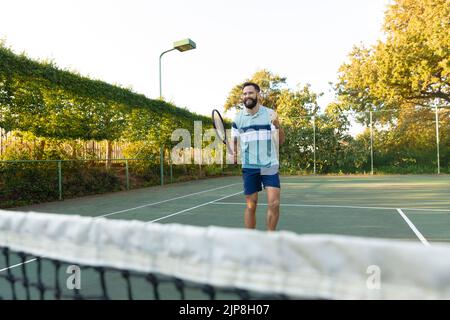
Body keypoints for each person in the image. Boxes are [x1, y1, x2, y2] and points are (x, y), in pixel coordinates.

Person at [231, 82, 285, 231]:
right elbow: (234, 142)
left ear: (258, 95)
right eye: (245, 94)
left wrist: (278, 125)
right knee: (251, 204)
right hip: (249, 166)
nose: (247, 96)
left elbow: (280, 141)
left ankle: (270, 238)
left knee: (274, 203)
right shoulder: (237, 119)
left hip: (270, 165)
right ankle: (251, 239)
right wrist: (233, 153)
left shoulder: (270, 114)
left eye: (250, 93)